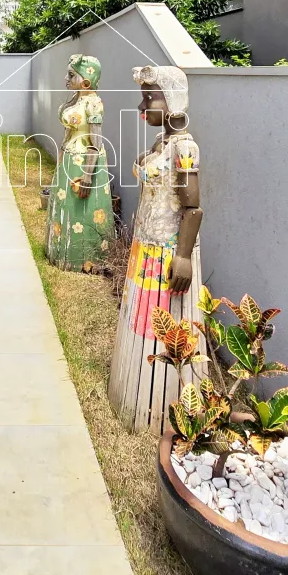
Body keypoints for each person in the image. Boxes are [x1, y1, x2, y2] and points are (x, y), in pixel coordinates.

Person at [108, 64, 205, 433]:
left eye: (149, 98)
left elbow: (192, 207)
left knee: (163, 323)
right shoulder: (160, 144)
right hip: (145, 246)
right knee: (141, 318)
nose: (141, 106)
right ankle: (134, 390)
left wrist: (183, 256)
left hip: (167, 250)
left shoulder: (185, 148)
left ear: (174, 101)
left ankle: (159, 402)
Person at [45, 54, 115, 270]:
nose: (66, 79)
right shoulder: (75, 100)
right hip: (68, 160)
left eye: (71, 75)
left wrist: (87, 176)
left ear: (85, 81)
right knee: (65, 206)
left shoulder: (94, 104)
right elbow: (67, 133)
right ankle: (60, 252)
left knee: (82, 210)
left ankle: (83, 259)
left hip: (84, 162)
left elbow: (96, 142)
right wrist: (60, 162)